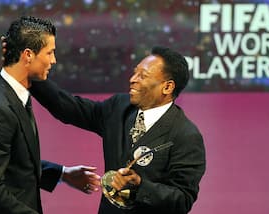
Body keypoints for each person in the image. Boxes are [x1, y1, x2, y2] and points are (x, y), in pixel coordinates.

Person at [29, 46, 206, 214]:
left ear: (167, 87)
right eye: (135, 72)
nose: (133, 79)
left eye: (143, 76)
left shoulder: (185, 135)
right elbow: (70, 108)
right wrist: (30, 76)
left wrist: (140, 186)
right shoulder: (119, 107)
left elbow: (182, 199)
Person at [0, 16, 100, 214]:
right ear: (28, 55)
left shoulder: (13, 95)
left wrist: (62, 174)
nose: (54, 60)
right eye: (50, 52)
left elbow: (15, 164)